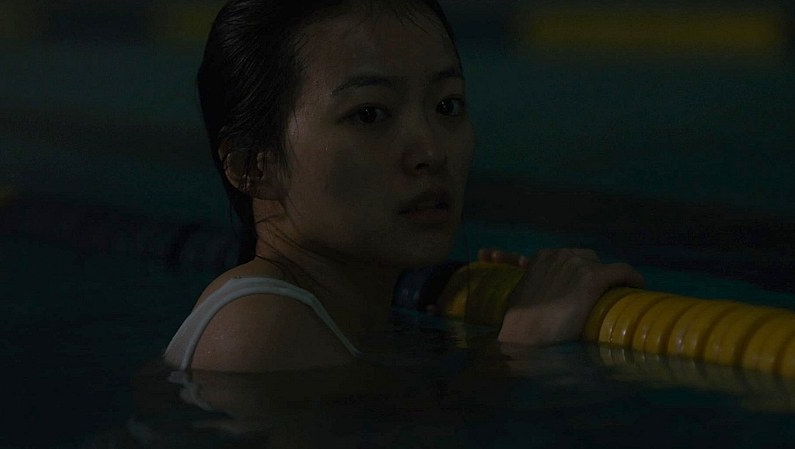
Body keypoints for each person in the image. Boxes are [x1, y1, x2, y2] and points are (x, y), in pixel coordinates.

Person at [164, 0, 645, 373]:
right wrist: (521, 347)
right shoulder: (260, 330)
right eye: (369, 114)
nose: (432, 151)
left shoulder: (341, 322)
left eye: (446, 105)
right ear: (253, 166)